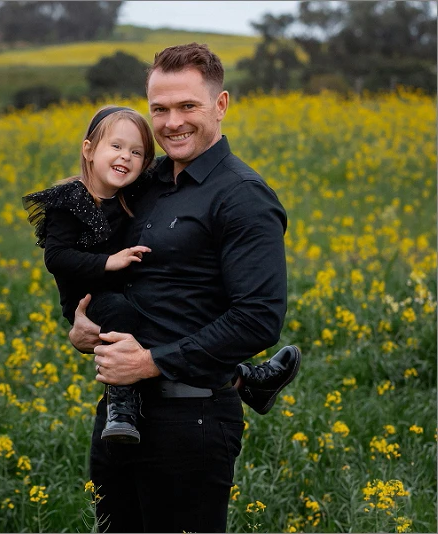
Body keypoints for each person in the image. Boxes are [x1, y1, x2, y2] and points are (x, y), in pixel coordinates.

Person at [68, 43, 301, 532]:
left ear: (220, 105)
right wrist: (80, 323)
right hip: (117, 413)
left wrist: (150, 362)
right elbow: (94, 260)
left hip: (191, 419)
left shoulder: (243, 197)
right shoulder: (144, 183)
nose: (172, 122)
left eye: (187, 106)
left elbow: (259, 317)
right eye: (160, 109)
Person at [22, 106, 157, 444]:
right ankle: (121, 405)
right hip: (90, 300)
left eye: (136, 152)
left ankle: (235, 374)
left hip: (124, 293)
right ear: (89, 150)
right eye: (116, 146)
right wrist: (108, 262)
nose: (125, 156)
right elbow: (57, 257)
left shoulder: (130, 196)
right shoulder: (69, 200)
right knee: (121, 313)